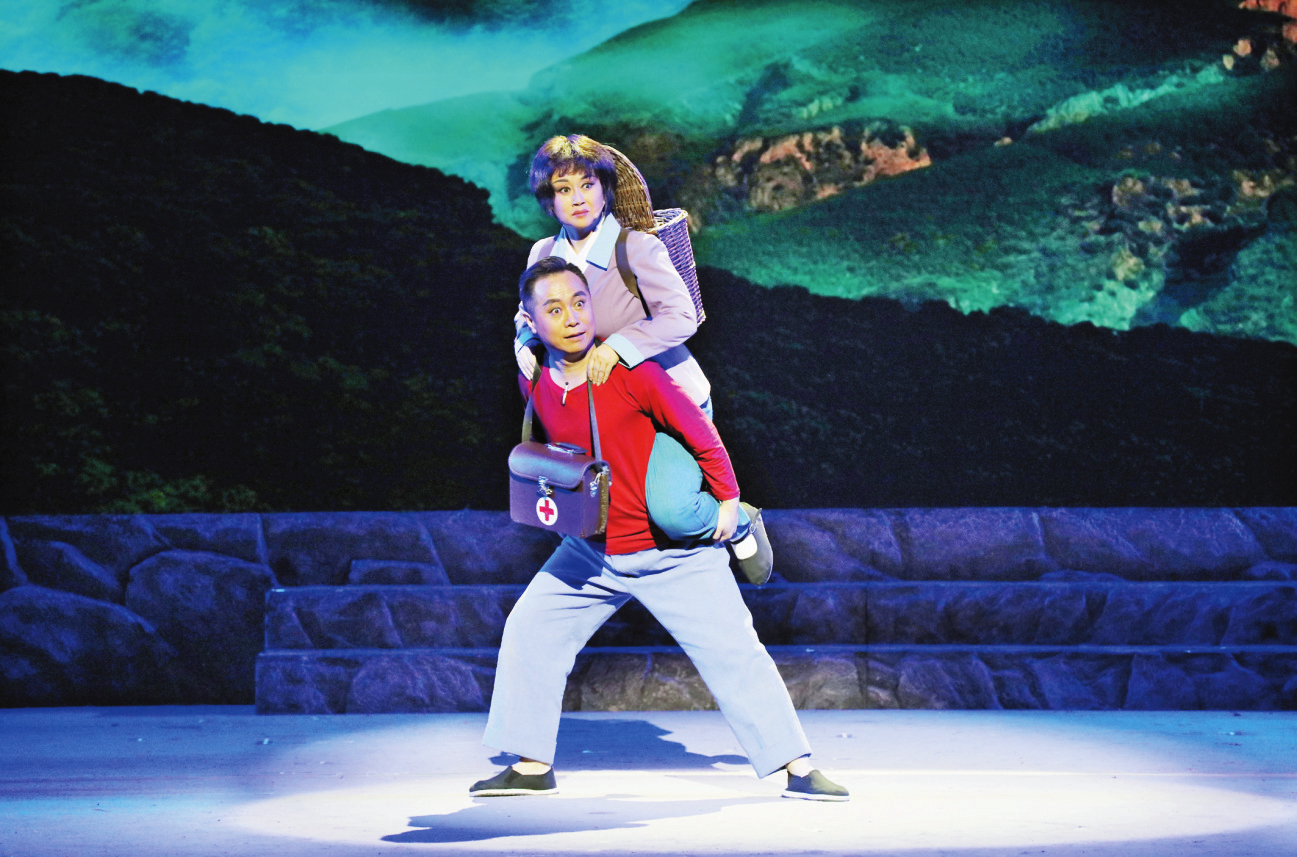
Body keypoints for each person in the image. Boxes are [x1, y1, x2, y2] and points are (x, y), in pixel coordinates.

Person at [472, 256, 849, 801]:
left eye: (580, 302)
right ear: (531, 321)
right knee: (530, 630)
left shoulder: (631, 371)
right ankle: (531, 767)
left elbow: (700, 433)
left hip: (671, 552)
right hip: (591, 553)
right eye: (554, 309)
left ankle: (798, 766)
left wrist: (728, 500)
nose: (573, 317)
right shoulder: (536, 380)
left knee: (733, 652)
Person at [512, 135, 770, 581]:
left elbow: (682, 315)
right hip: (603, 407)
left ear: (605, 189)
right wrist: (523, 342)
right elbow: (526, 312)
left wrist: (619, 346)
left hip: (663, 399)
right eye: (564, 189)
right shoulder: (543, 253)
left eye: (588, 185)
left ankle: (739, 521)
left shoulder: (634, 248)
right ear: (549, 200)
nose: (578, 198)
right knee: (592, 506)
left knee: (673, 511)